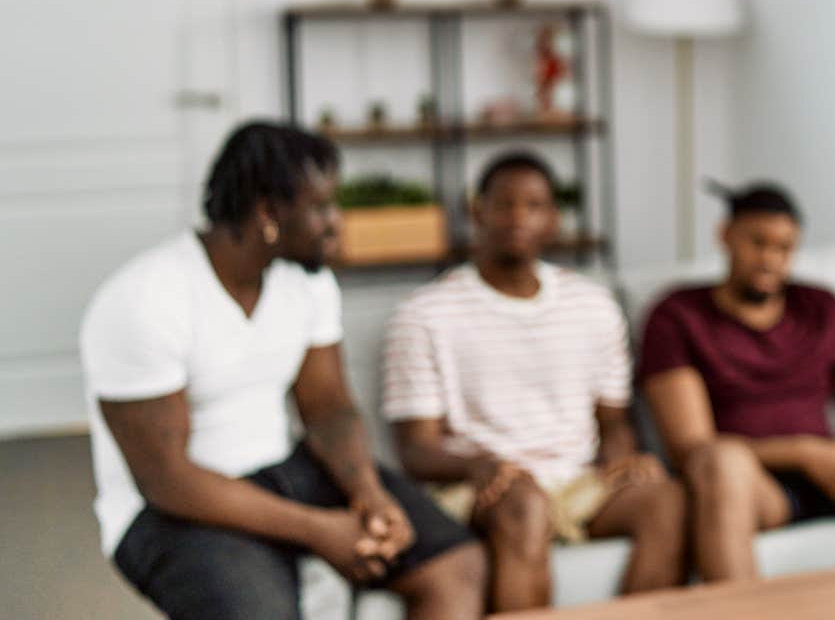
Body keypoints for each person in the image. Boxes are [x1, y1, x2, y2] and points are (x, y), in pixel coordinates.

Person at [79, 122, 485, 620]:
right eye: (320, 208)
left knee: (453, 566)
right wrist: (321, 529)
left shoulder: (306, 281)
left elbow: (328, 408)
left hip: (282, 468)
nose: (336, 223)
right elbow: (167, 479)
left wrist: (369, 496)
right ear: (268, 213)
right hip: (174, 508)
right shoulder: (145, 300)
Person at [382, 152, 686, 612]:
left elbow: (614, 421)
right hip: (485, 486)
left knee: (665, 499)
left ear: (553, 220)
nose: (518, 217)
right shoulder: (424, 314)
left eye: (534, 205)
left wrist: (623, 459)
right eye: (504, 204)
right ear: (476, 211)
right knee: (525, 506)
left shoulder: (593, 305)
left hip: (579, 482)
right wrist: (476, 466)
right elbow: (415, 450)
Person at [637, 181, 835, 583]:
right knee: (718, 462)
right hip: (756, 486)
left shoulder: (822, 307)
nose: (770, 259)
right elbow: (690, 449)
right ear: (726, 236)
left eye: (784, 248)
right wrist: (806, 453)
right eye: (758, 243)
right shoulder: (678, 315)